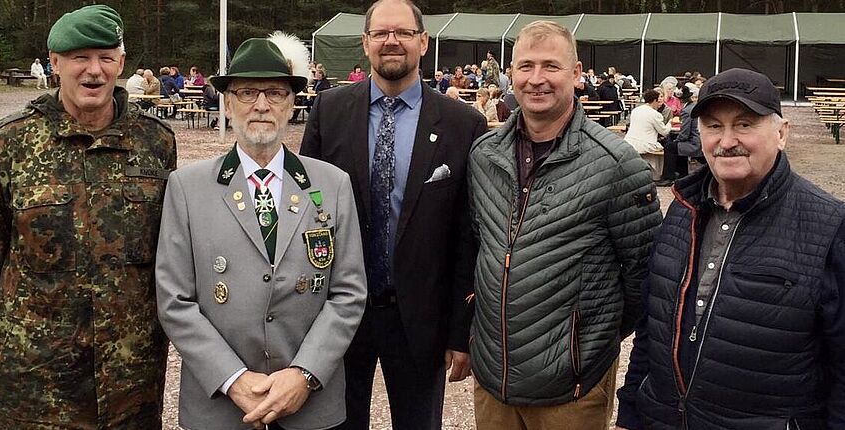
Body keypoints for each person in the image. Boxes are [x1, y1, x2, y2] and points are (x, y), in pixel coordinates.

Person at [0, 5, 176, 428]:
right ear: (55, 63)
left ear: (120, 62)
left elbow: (168, 245)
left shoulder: (155, 142)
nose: (93, 71)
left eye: (104, 57)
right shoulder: (10, 141)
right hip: (36, 374)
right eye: (80, 57)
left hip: (130, 374)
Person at [155, 35, 367, 430]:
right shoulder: (187, 187)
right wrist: (233, 379)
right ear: (228, 102)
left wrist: (304, 374)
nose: (262, 105)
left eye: (274, 92)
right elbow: (175, 300)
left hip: (309, 403)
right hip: (221, 406)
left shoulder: (332, 184)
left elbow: (348, 292)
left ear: (292, 103)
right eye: (247, 92)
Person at [615, 67, 845, 430]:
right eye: (713, 126)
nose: (726, 141)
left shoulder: (829, 225)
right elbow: (653, 324)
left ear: (781, 133)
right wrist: (630, 412)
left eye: (745, 124)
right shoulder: (681, 209)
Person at [300, 0, 487, 428]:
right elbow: (307, 213)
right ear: (365, 43)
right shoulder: (328, 112)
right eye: (381, 33)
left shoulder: (463, 124)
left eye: (402, 33)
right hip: (340, 313)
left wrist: (462, 331)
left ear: (423, 42)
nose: (392, 42)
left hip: (421, 318)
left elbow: (467, 236)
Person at [468, 20, 661, 430]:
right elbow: (479, 248)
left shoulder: (617, 165)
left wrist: (585, 343)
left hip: (570, 390)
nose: (537, 80)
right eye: (525, 67)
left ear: (576, 74)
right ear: (511, 74)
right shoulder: (483, 156)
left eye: (551, 67)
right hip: (493, 379)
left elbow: (644, 278)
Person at [625, 89, 671, 155]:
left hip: (629, 141)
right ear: (655, 100)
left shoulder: (635, 110)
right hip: (646, 144)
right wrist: (670, 123)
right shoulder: (655, 114)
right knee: (663, 149)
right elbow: (664, 132)